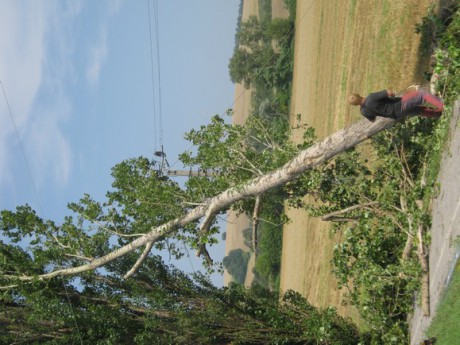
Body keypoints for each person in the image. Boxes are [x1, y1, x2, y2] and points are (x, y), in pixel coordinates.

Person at [348, 89, 444, 122]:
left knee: (418, 110)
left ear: (356, 105)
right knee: (422, 94)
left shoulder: (363, 111)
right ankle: (443, 106)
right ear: (359, 95)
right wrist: (392, 93)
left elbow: (373, 120)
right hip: (399, 104)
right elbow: (388, 93)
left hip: (396, 115)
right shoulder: (371, 97)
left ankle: (438, 114)